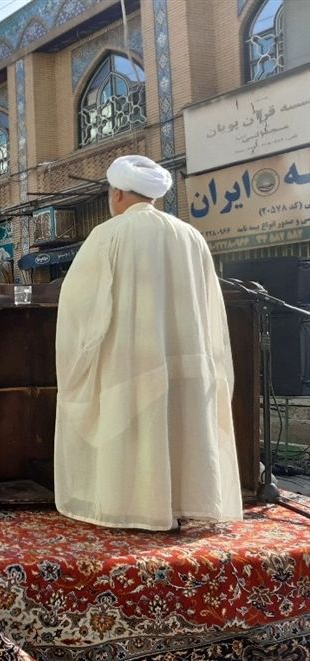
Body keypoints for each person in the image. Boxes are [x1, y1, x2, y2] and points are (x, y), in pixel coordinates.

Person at [54, 154, 243, 531]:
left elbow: (81, 308)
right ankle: (186, 505)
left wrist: (81, 360)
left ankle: (133, 510)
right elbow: (211, 309)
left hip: (128, 363)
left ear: (118, 193)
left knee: (134, 438)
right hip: (189, 363)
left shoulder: (108, 234)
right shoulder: (191, 236)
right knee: (182, 429)